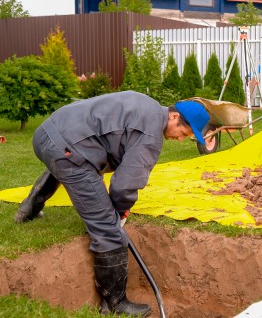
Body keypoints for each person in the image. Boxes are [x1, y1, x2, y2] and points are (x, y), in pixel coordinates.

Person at [14, 91, 210, 317]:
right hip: (67, 150)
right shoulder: (151, 137)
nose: (181, 139)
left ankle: (28, 209)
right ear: (175, 116)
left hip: (47, 133)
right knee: (108, 229)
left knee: (68, 159)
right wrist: (118, 212)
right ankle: (115, 302)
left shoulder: (146, 103)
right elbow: (124, 186)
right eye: (183, 132)